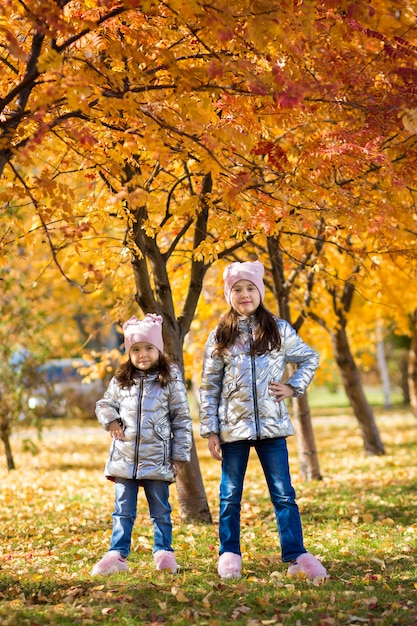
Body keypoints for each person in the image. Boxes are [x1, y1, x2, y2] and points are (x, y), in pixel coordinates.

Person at [199, 260, 328, 581]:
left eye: (250, 288)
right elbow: (208, 385)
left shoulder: (279, 329)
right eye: (237, 289)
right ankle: (229, 553)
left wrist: (293, 385)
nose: (244, 294)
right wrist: (211, 430)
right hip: (232, 430)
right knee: (230, 495)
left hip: (272, 428)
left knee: (284, 494)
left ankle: (296, 554)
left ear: (260, 291)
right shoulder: (220, 335)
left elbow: (310, 357)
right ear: (229, 295)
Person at [91, 313, 192, 576]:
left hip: (158, 459)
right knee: (122, 511)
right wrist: (111, 420)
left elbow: (182, 419)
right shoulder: (122, 379)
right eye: (135, 349)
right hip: (124, 459)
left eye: (148, 348)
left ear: (158, 349)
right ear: (129, 352)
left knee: (160, 511)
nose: (142, 354)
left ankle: (164, 553)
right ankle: (117, 554)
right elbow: (104, 403)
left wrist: (179, 456)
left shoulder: (170, 380)